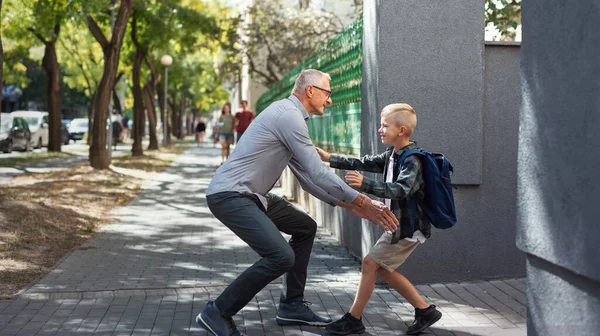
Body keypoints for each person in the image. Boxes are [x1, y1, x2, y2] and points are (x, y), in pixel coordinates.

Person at [196, 69, 399, 336]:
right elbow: (318, 173)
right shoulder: (288, 117)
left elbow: (308, 180)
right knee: (280, 256)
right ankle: (218, 311)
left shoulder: (290, 117)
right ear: (311, 90)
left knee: (305, 227)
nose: (330, 100)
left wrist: (357, 209)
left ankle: (291, 305)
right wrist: (365, 202)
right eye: (328, 92)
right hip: (231, 195)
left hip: (253, 195)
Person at [317, 103, 442, 336]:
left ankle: (353, 319)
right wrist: (329, 158)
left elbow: (401, 189)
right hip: (398, 225)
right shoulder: (392, 155)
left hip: (408, 226)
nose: (380, 130)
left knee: (369, 263)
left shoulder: (411, 160)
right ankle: (424, 310)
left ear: (402, 130)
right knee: (381, 269)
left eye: (385, 125)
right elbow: (363, 161)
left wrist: (365, 184)